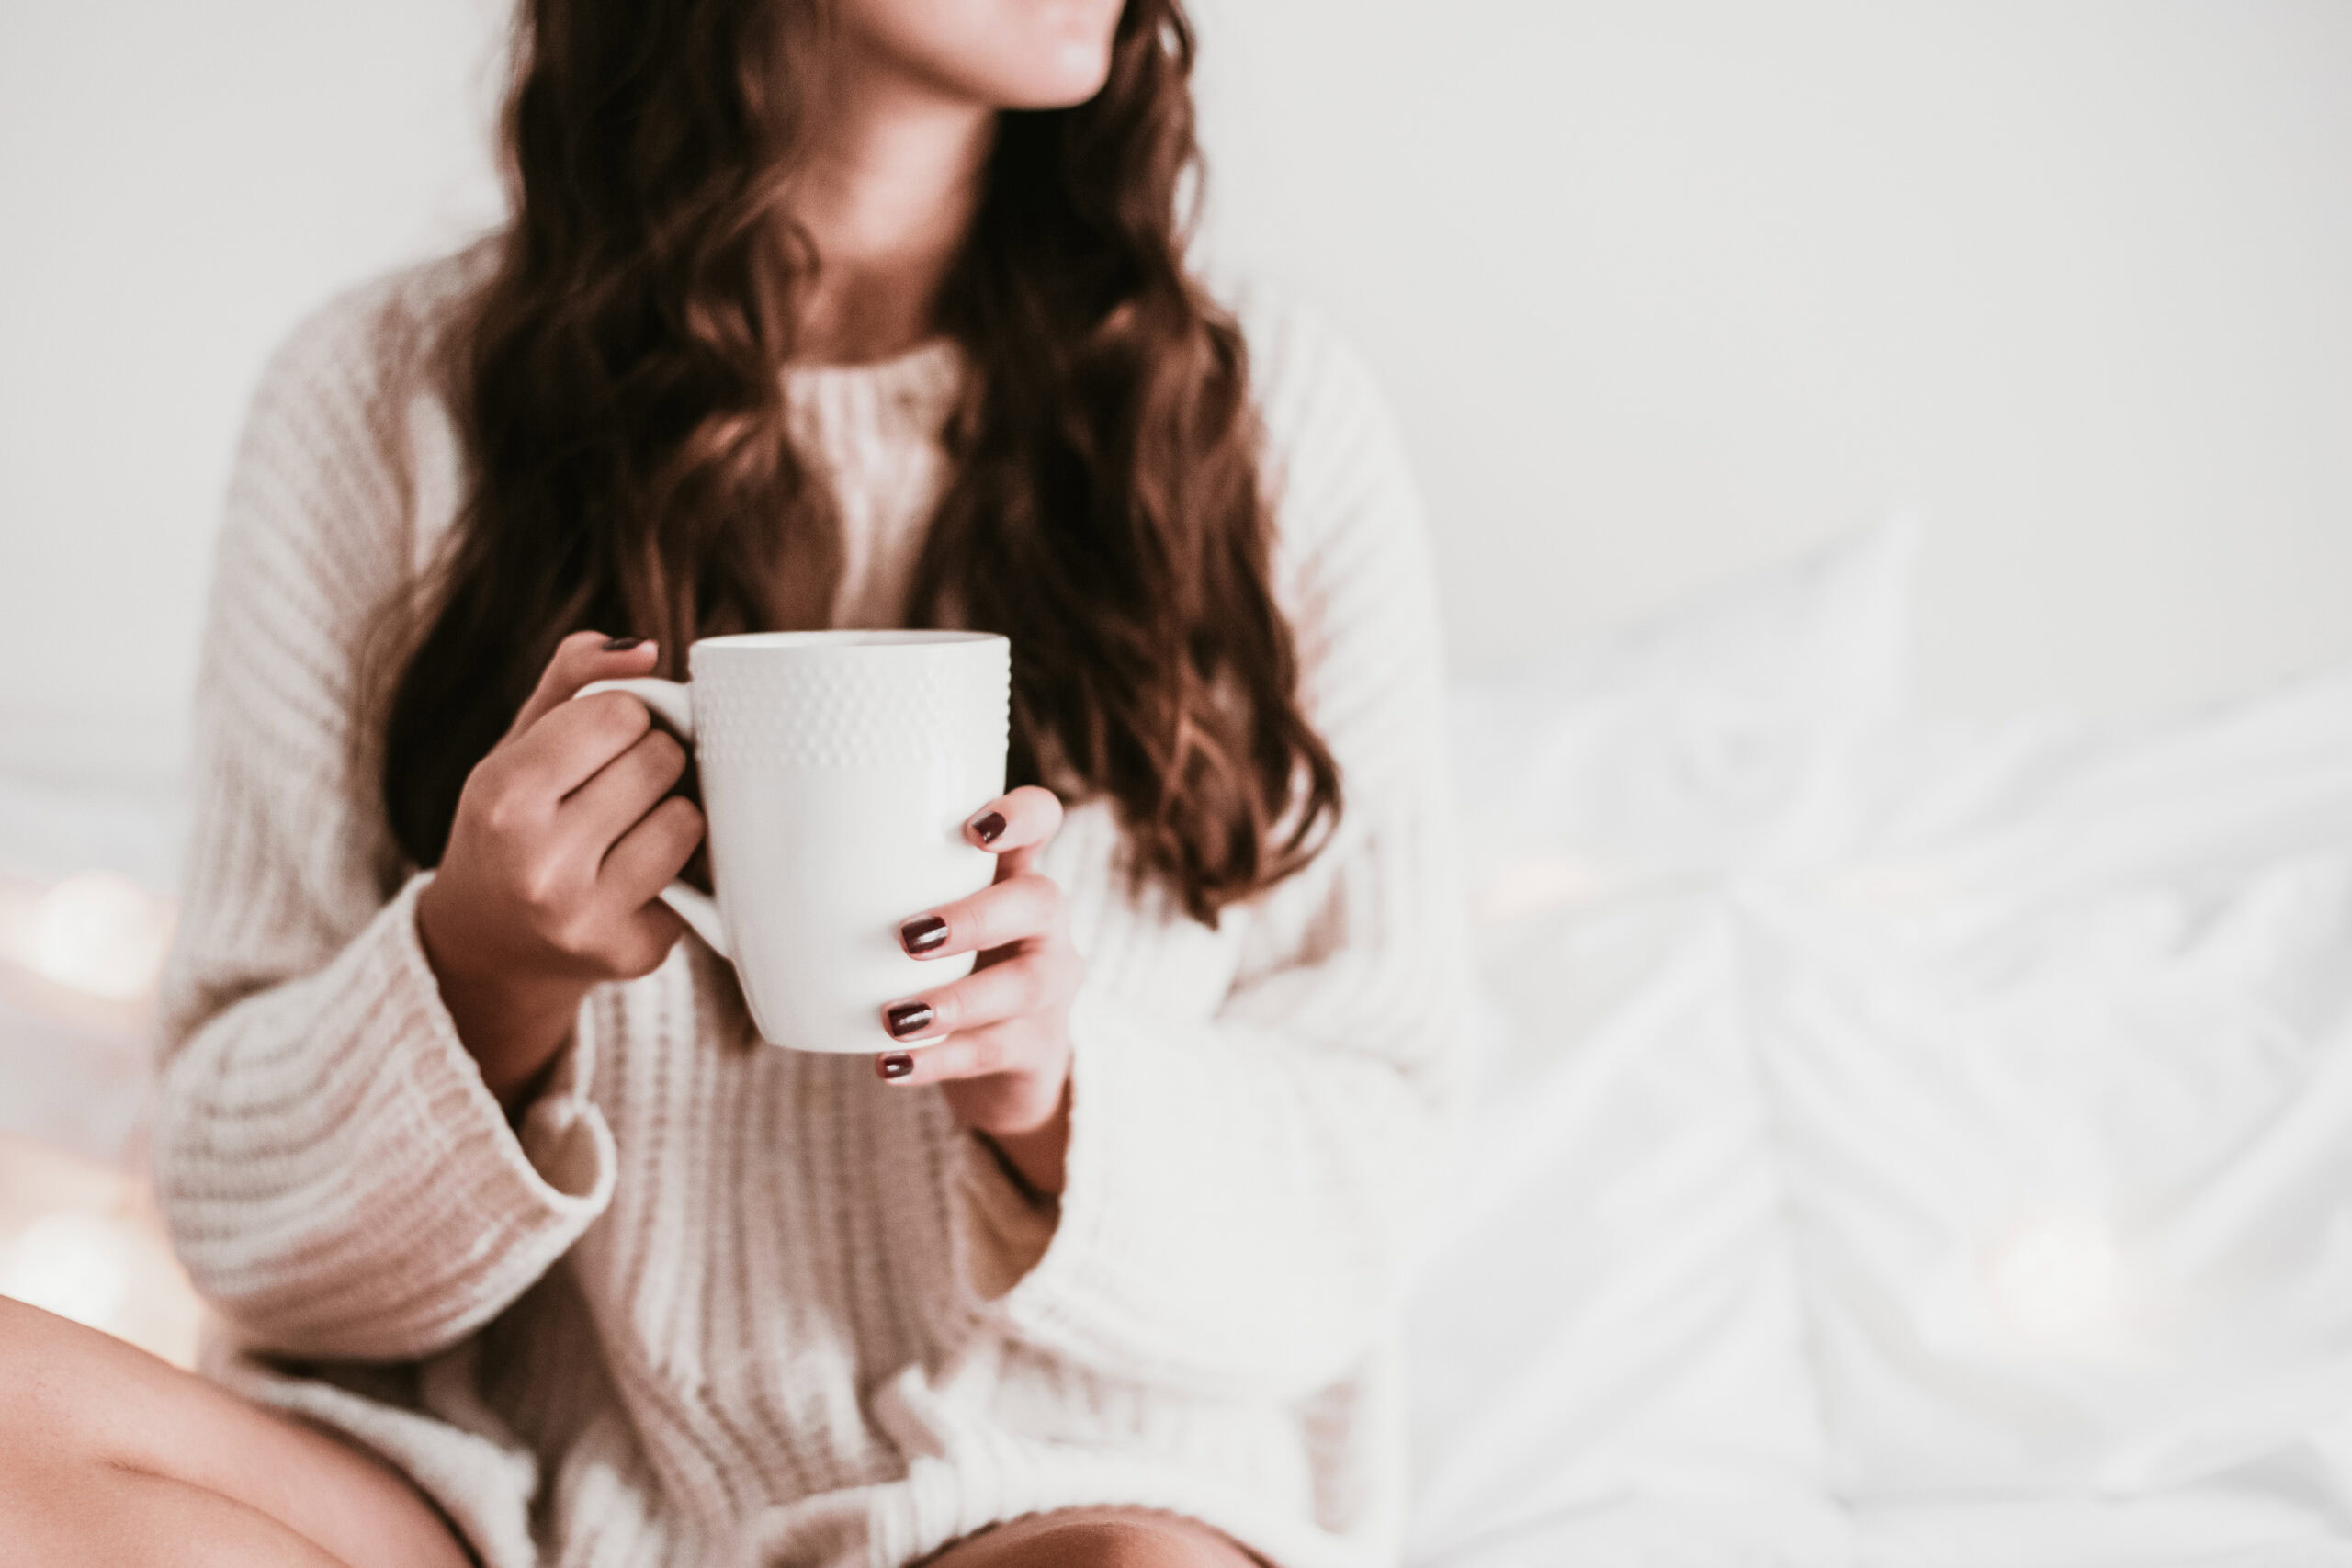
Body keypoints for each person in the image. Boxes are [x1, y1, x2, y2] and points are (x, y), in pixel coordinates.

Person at [0, 0, 1470, 1562]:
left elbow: (1372, 1197)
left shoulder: (1258, 423)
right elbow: (239, 1221)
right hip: (471, 1515)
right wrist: (480, 973)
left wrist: (1054, 1101)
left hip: (1032, 1504)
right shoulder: (381, 404)